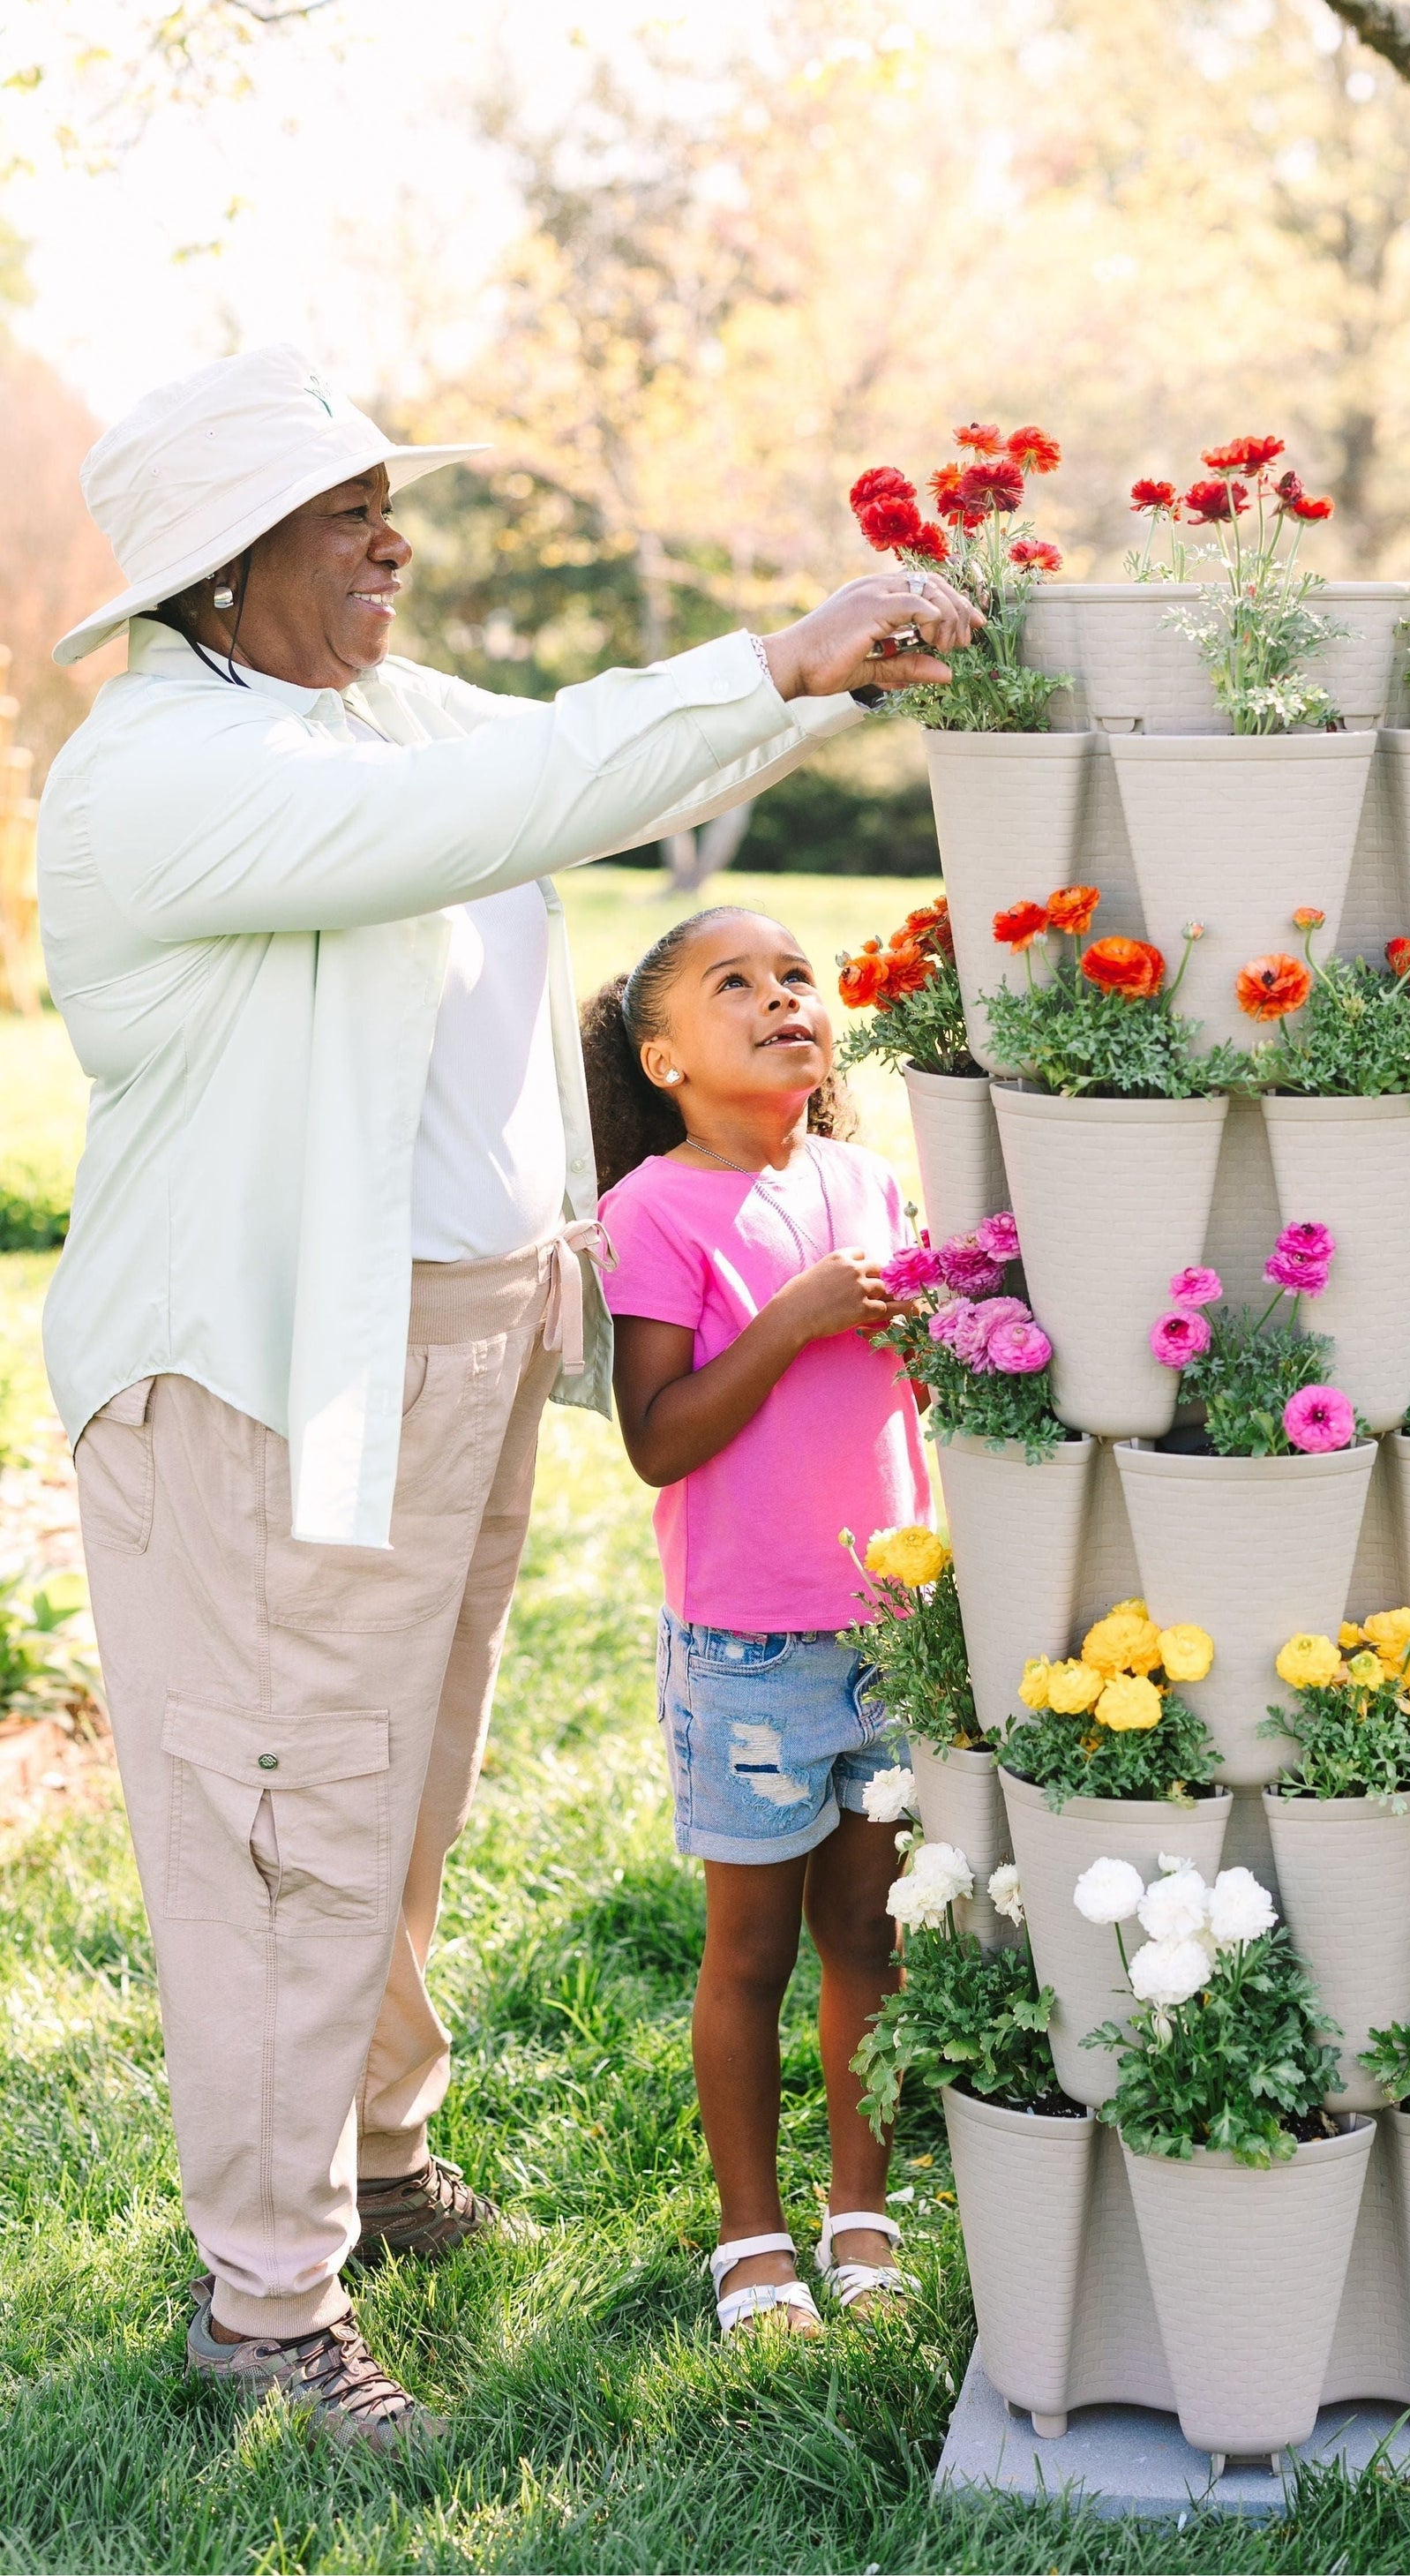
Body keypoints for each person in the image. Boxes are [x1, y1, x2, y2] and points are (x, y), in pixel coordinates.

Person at [38, 342, 978, 2445]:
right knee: (284, 1818)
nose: (395, 541)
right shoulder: (174, 764)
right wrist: (780, 651)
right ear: (224, 560)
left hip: (445, 1343)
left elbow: (583, 764)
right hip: (269, 1373)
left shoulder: (369, 708)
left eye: (392, 502)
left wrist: (833, 678)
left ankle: (372, 2156)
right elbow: (501, 803)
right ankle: (265, 2301)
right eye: (350, 511)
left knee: (394, 1789)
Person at [585, 907, 928, 2337]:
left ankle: (861, 2209)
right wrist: (789, 1319)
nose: (783, 997)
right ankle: (751, 2235)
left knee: (870, 1936)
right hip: (749, 1648)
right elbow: (657, 1439)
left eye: (797, 976)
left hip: (893, 1629)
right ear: (664, 1058)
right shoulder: (652, 1211)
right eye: (735, 984)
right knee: (751, 1953)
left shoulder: (869, 1183)